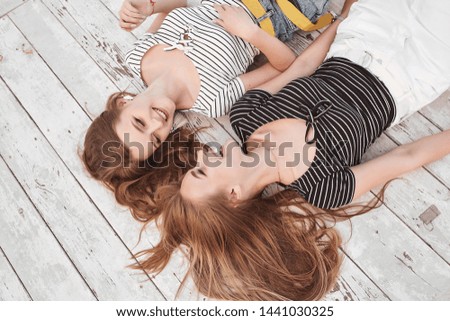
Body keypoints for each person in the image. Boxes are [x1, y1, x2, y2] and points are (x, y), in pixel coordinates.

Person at [131, 0, 450, 300]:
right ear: (232, 195)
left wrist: (345, 16)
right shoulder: (323, 187)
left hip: (361, 35)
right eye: (201, 171)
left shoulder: (246, 116)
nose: (203, 157)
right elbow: (407, 156)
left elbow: (304, 65)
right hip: (415, 72)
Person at [82, 0, 350, 221]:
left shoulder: (137, 55)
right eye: (155, 139)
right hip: (285, 8)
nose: (156, 123)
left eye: (139, 122)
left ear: (122, 104)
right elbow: (285, 65)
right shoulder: (211, 100)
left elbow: (182, 4)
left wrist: (150, 8)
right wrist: (251, 34)